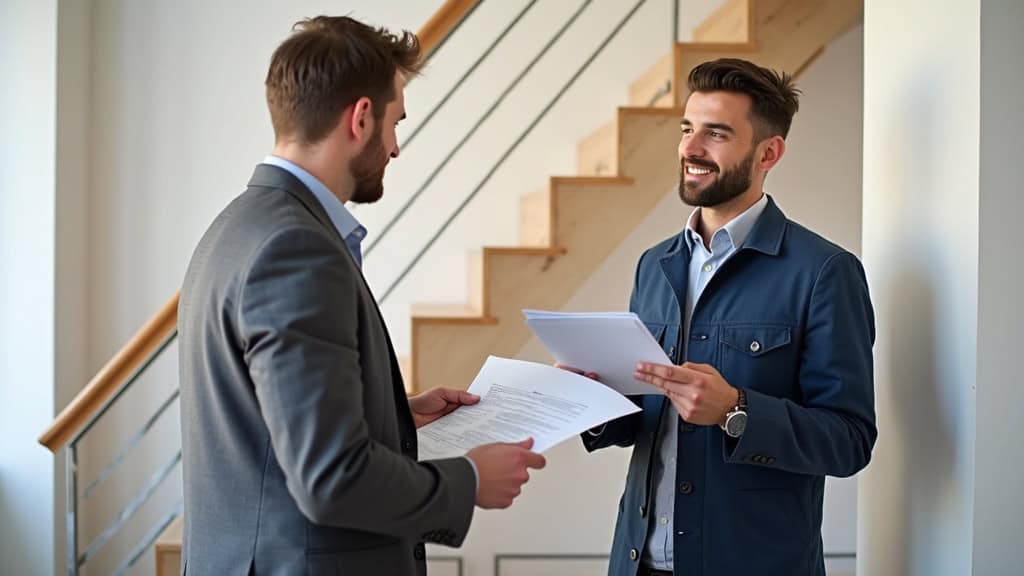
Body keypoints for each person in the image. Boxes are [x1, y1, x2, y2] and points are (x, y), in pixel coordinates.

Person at [177, 16, 545, 575]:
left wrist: (393, 415)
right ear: (362, 117)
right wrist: (468, 480)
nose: (395, 148)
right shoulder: (297, 249)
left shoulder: (237, 227)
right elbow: (329, 478)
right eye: (396, 122)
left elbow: (270, 430)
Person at [581, 58, 876, 576]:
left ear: (769, 152)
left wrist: (735, 410)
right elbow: (648, 414)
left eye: (715, 134)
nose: (691, 149)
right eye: (688, 129)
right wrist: (591, 401)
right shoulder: (655, 264)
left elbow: (849, 441)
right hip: (637, 563)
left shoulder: (825, 272)